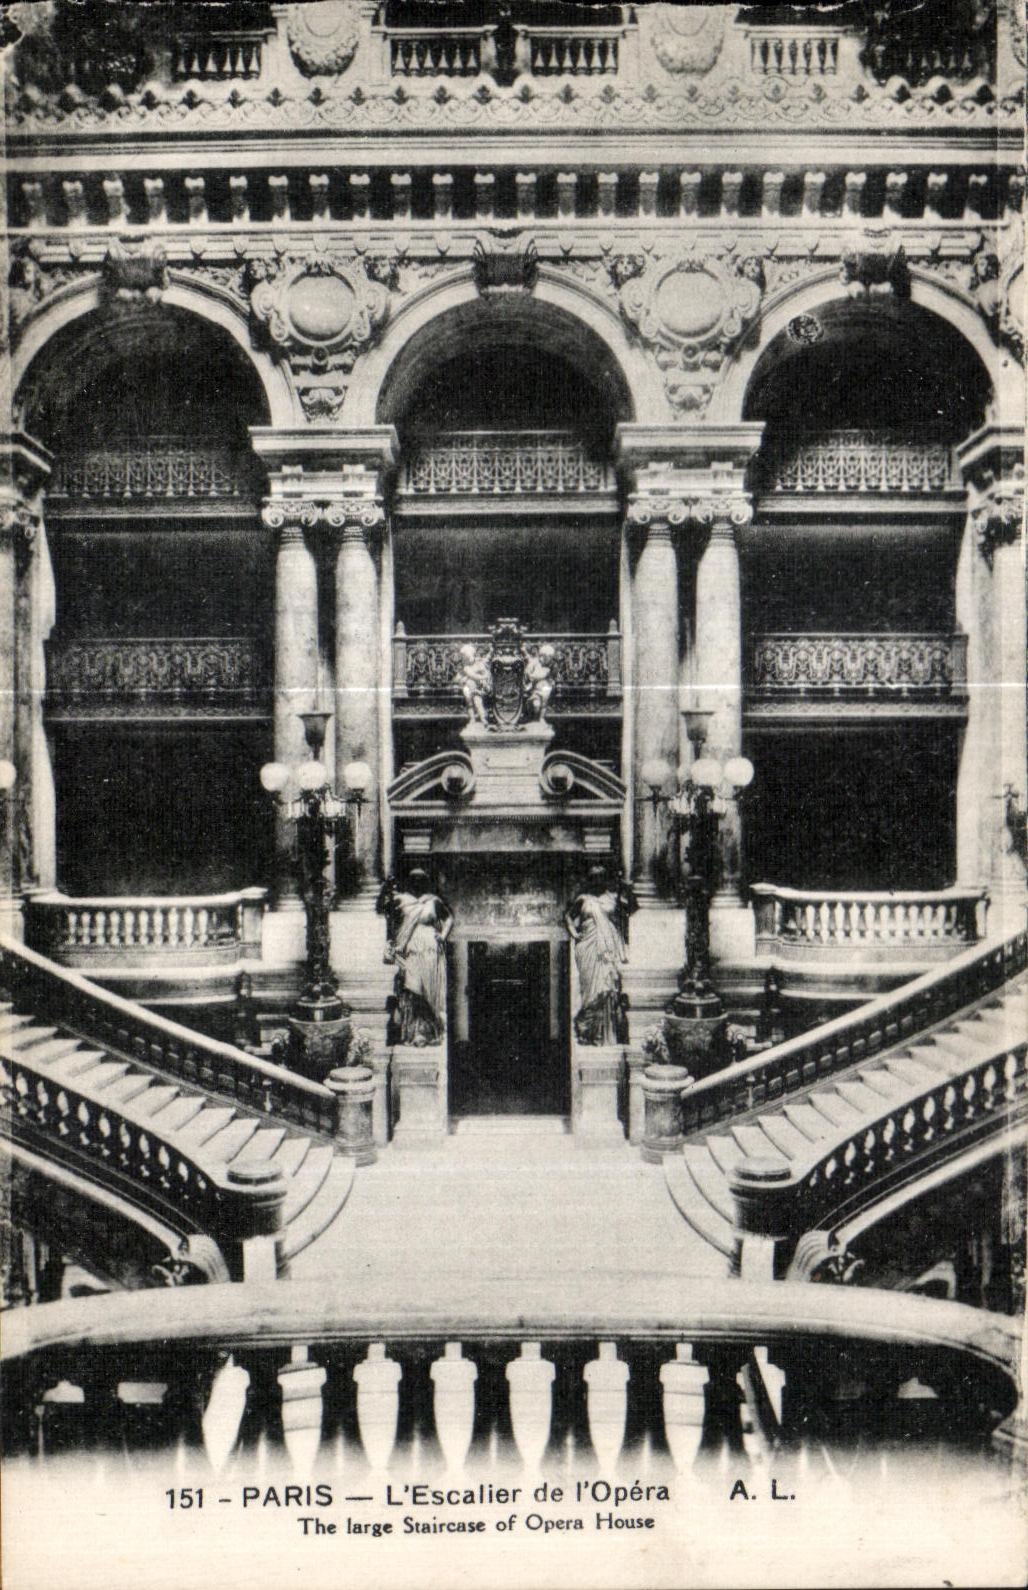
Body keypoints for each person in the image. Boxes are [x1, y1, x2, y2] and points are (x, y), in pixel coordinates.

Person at [377, 871, 454, 1046]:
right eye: (414, 881)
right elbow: (387, 914)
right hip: (410, 949)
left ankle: (427, 1033)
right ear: (410, 883)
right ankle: (413, 1032)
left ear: (426, 883)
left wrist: (442, 935)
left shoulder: (433, 901)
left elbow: (448, 918)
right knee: (413, 988)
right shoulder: (403, 900)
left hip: (430, 950)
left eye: (421, 881)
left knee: (428, 992)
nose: (417, 884)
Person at [564, 867, 637, 1046]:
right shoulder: (583, 899)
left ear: (605, 879)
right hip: (588, 947)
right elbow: (567, 916)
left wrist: (626, 891)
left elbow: (630, 910)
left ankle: (605, 1035)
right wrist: (574, 932)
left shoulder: (612, 898)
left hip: (607, 950)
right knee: (590, 991)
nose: (597, 881)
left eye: (600, 878)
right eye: (593, 878)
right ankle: (588, 1033)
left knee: (607, 987)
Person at [456, 643, 491, 727]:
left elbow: (485, 672)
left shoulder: (479, 663)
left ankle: (483, 718)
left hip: (477, 687)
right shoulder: (466, 667)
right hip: (468, 686)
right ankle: (472, 718)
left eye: (467, 657)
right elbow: (472, 676)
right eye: (464, 658)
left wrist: (484, 679)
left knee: (477, 701)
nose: (466, 660)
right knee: (469, 702)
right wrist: (482, 677)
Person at [523, 642, 556, 721]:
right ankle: (535, 717)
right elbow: (528, 672)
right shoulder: (536, 662)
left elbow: (544, 675)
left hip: (545, 688)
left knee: (544, 704)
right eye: (543, 656)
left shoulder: (550, 667)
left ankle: (541, 719)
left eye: (549, 657)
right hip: (536, 689)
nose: (545, 658)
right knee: (536, 704)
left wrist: (534, 676)